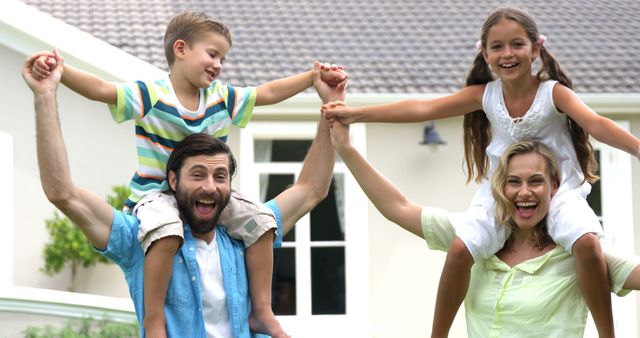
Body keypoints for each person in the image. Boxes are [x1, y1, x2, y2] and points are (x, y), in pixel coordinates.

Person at [322, 6, 640, 337]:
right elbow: (422, 108)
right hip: (500, 191)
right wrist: (356, 114)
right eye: (498, 46)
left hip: (559, 191)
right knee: (460, 249)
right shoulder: (486, 96)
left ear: (536, 49)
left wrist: (637, 148)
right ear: (485, 54)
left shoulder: (553, 93)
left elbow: (596, 123)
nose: (508, 53)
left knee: (587, 243)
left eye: (517, 44)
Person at [30, 10, 346, 338]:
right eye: (198, 175)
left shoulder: (239, 235)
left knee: (262, 220)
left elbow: (310, 186)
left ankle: (263, 313)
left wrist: (323, 96)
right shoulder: (140, 237)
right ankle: (155, 324)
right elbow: (64, 187)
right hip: (152, 199)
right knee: (166, 230)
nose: (210, 186)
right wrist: (54, 82)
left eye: (220, 176)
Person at [328, 119, 640, 337]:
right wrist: (346, 148)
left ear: (554, 187)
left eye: (536, 181)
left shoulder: (574, 255)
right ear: (500, 188)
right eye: (513, 182)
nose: (524, 192)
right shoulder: (474, 239)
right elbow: (397, 208)